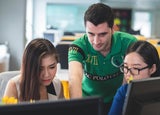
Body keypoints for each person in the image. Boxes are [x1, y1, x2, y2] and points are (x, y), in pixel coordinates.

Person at [68, 2, 137, 114]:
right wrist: (77, 108)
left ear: (113, 29)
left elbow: (130, 78)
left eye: (102, 34)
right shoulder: (78, 46)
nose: (96, 41)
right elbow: (74, 78)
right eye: (90, 34)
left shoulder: (129, 43)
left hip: (117, 99)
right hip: (88, 101)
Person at [108, 40, 160, 115]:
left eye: (135, 68)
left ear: (152, 69)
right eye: (125, 67)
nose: (128, 74)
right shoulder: (124, 91)